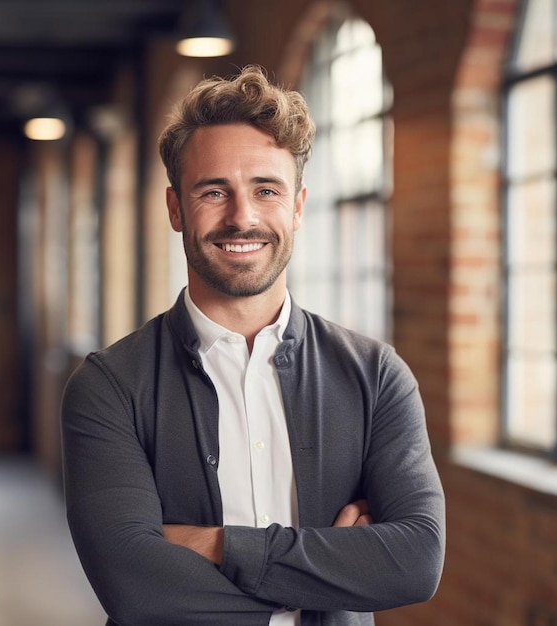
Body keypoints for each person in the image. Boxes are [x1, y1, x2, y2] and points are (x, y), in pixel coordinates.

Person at [61, 65, 445, 626]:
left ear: (297, 206)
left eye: (266, 190)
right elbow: (135, 590)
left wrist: (217, 545)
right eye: (214, 191)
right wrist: (332, 576)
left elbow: (415, 563)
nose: (242, 216)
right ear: (175, 209)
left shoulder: (376, 375)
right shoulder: (109, 386)